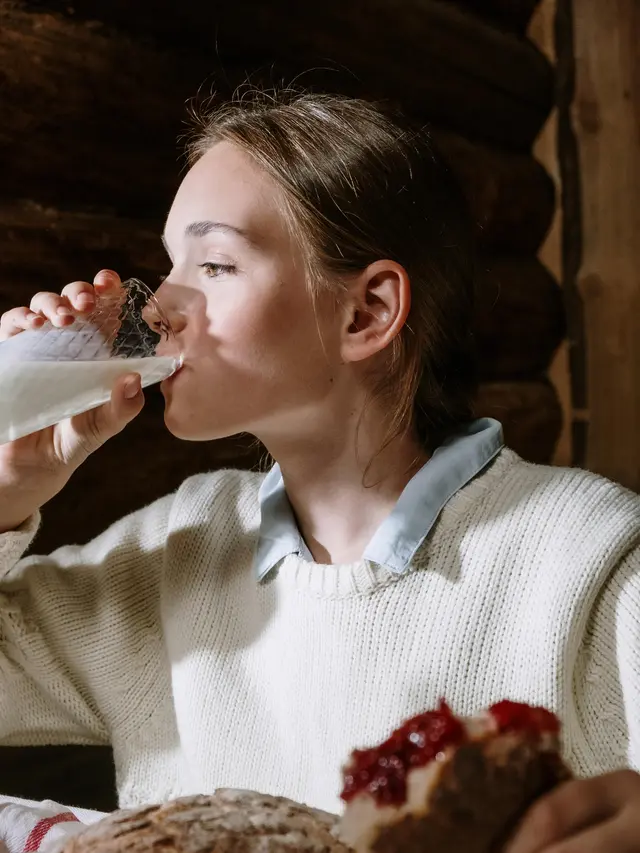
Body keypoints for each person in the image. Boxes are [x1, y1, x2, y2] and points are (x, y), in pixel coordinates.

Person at [0, 90, 639, 853]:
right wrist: (9, 489)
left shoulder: (588, 557)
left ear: (365, 313)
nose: (162, 306)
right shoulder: (185, 542)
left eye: (215, 262)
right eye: (171, 263)